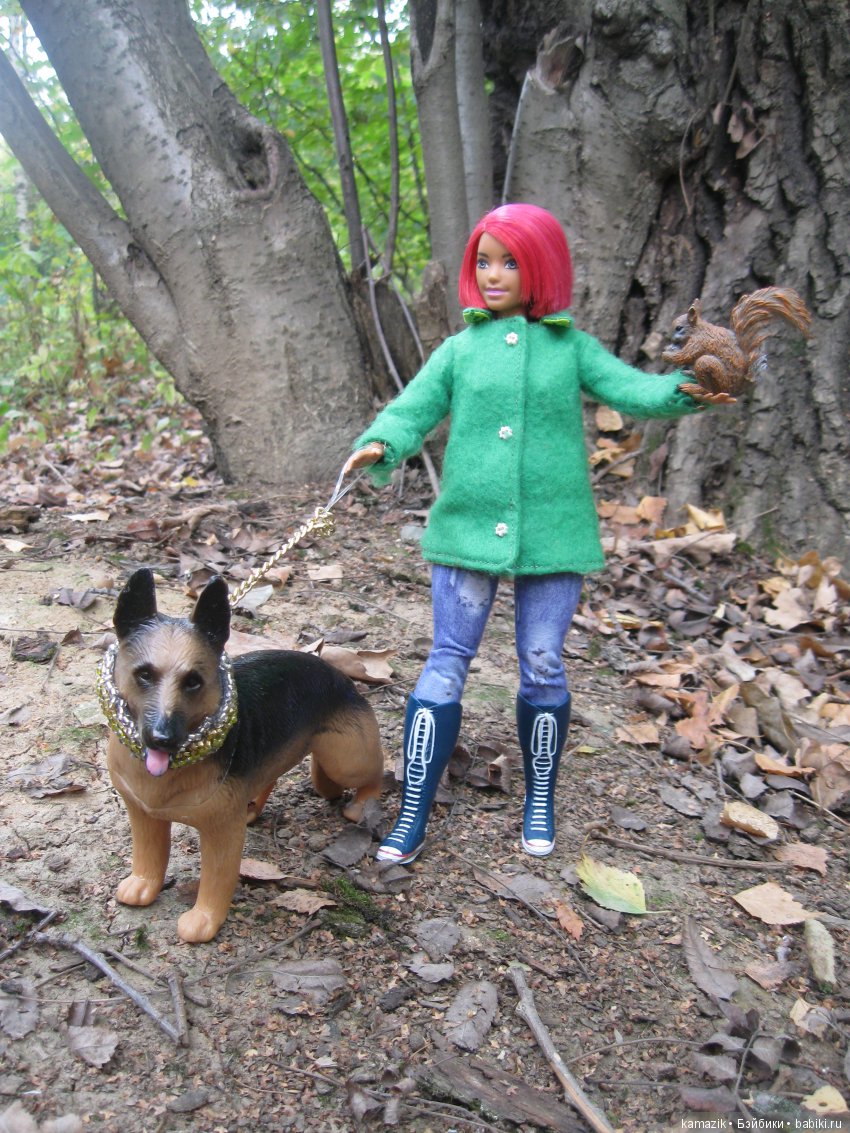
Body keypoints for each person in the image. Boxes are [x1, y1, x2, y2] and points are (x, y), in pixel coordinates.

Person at [344, 203, 727, 866]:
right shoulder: (460, 350)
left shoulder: (569, 348)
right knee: (446, 659)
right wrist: (383, 443)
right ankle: (413, 810)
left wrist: (690, 388)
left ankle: (539, 796)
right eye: (484, 261)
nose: (493, 275)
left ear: (541, 268)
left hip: (553, 533)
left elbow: (634, 390)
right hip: (467, 527)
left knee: (544, 661)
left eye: (510, 262)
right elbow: (413, 408)